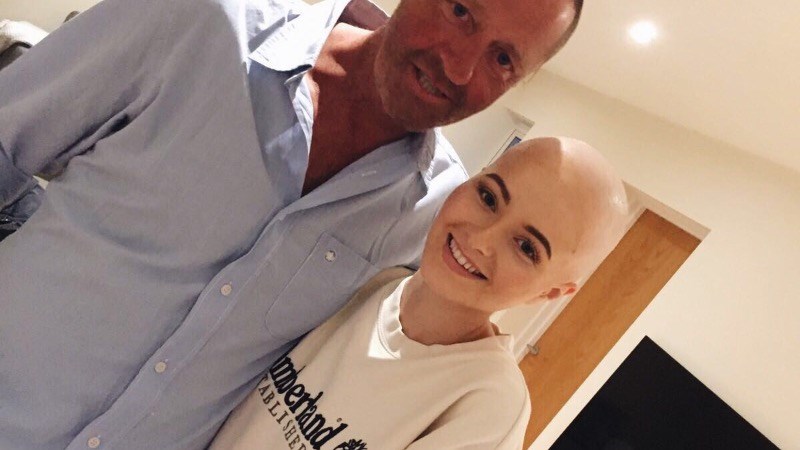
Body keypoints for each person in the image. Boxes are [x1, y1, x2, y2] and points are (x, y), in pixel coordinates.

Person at [0, 0, 583, 448]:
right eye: (460, 11)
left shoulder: (432, 214)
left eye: (503, 59)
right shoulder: (199, 23)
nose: (459, 66)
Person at [210, 137, 630, 449]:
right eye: (488, 197)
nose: (481, 239)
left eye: (526, 247)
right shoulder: (369, 283)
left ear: (551, 292)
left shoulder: (488, 402)